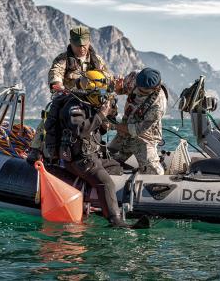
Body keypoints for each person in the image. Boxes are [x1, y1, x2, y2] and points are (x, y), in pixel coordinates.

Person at [43, 70, 129, 227]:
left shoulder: (89, 103)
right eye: (101, 91)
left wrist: (107, 114)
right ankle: (115, 220)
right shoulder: (74, 107)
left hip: (91, 155)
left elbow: (99, 131)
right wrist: (101, 115)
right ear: (91, 90)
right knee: (106, 183)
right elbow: (81, 130)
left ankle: (88, 196)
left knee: (117, 167)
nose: (103, 95)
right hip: (80, 159)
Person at [27, 25, 112, 163]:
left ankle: (100, 149)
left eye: (84, 44)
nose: (82, 48)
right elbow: (56, 72)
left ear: (89, 42)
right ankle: (36, 148)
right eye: (78, 45)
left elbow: (106, 78)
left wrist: (106, 91)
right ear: (71, 43)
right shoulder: (63, 59)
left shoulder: (97, 60)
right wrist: (58, 85)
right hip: (68, 99)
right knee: (50, 116)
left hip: (91, 100)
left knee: (106, 119)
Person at [108, 68, 167, 175]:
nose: (138, 91)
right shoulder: (134, 77)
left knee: (154, 173)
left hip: (145, 138)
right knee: (105, 159)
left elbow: (137, 130)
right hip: (124, 133)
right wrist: (117, 87)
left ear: (155, 88)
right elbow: (120, 90)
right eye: (138, 88)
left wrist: (113, 126)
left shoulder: (158, 105)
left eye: (143, 91)